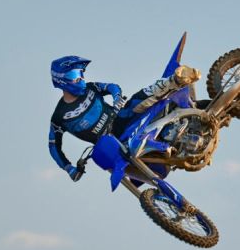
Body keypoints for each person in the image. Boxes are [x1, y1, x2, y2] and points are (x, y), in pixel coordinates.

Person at [48, 55, 200, 182]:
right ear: (62, 80)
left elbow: (111, 87)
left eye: (81, 74)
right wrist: (69, 168)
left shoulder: (90, 88)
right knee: (113, 167)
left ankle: (175, 80)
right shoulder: (59, 117)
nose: (81, 79)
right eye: (75, 76)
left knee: (136, 101)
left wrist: (116, 98)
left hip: (121, 120)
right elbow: (54, 146)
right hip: (109, 146)